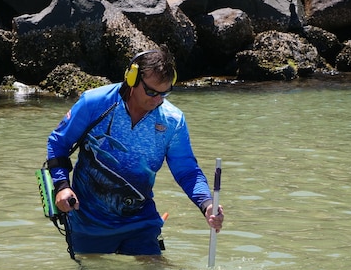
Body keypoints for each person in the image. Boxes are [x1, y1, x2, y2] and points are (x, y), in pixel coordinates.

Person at [45, 46, 224, 256]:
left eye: (165, 93)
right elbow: (58, 143)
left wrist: (207, 204)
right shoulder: (94, 103)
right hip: (89, 221)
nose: (157, 100)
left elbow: (187, 170)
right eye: (151, 92)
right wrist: (62, 186)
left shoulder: (172, 120)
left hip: (141, 222)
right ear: (132, 79)